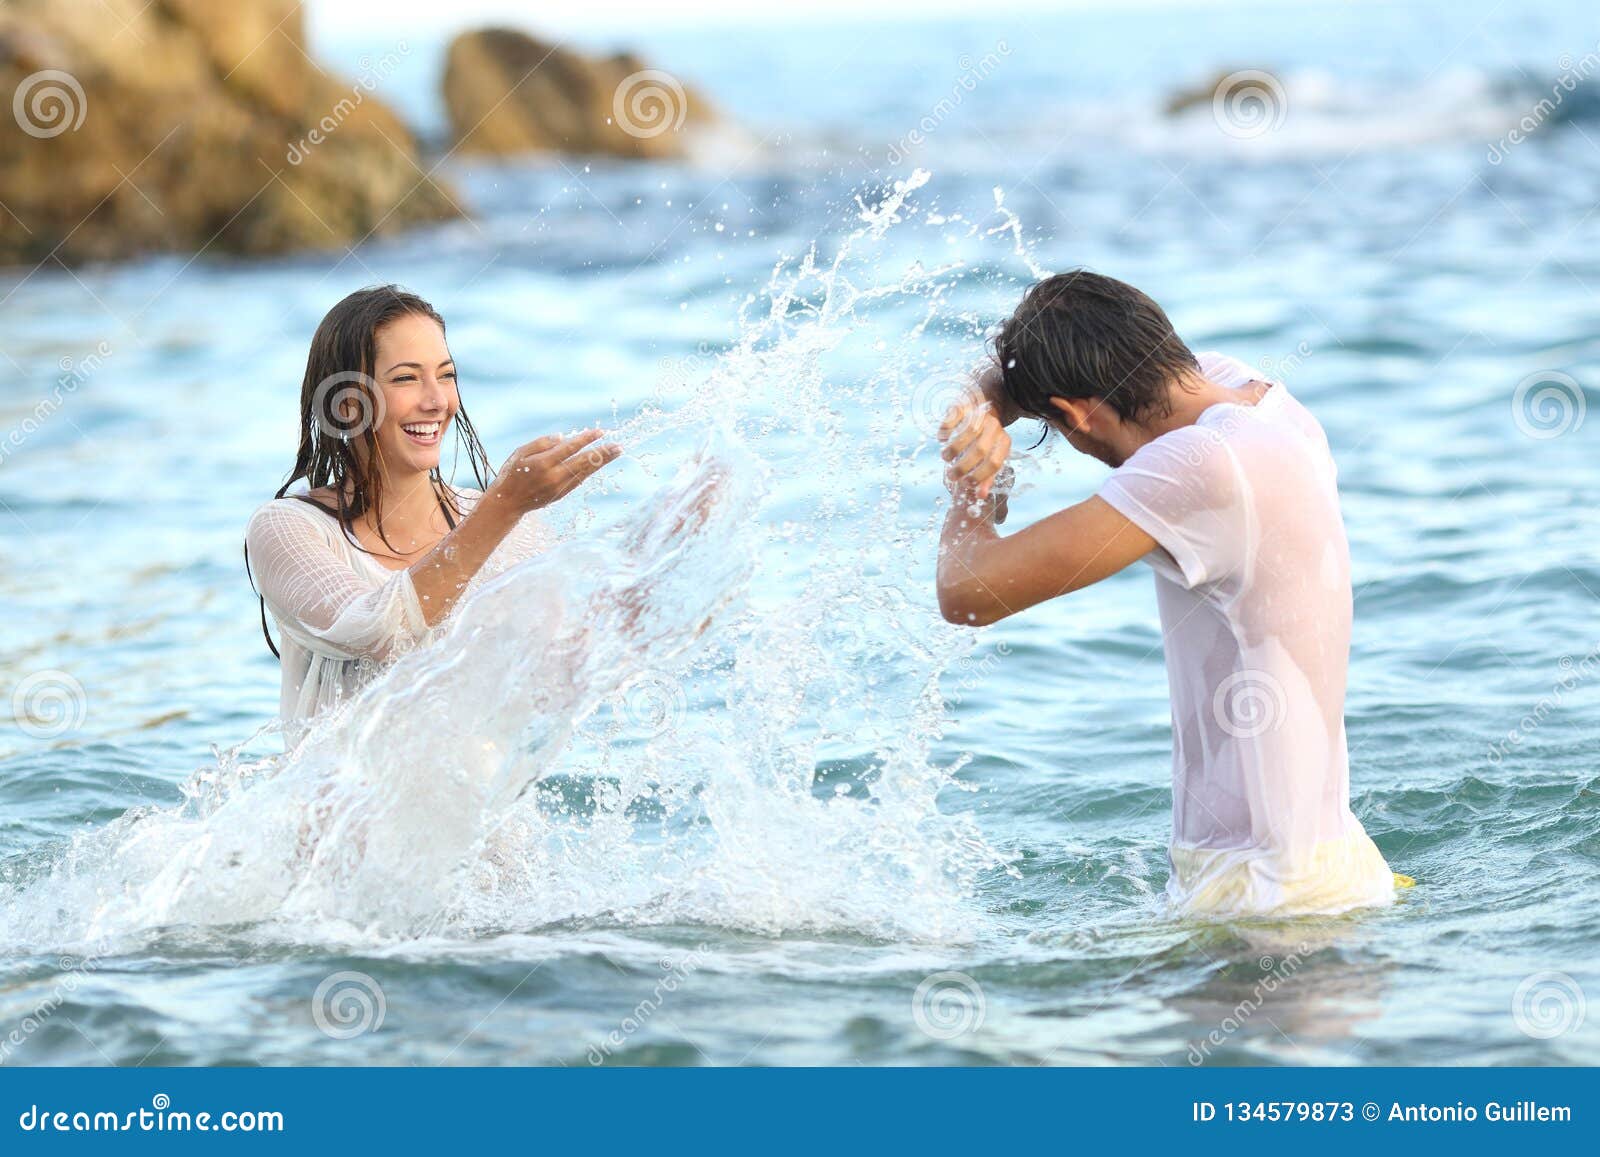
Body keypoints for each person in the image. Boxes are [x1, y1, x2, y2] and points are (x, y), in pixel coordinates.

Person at [936, 270, 1410, 917]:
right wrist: (980, 404)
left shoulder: (1198, 468)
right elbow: (1010, 375)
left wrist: (970, 479)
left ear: (1077, 416)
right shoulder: (1255, 401)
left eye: (1061, 428)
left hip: (1261, 897)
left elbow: (967, 591)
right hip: (1332, 867)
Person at [245, 286, 620, 725]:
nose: (437, 400)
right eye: (406, 378)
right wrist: (505, 506)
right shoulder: (289, 529)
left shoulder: (509, 526)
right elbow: (380, 632)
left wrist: (688, 539)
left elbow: (572, 669)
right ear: (347, 404)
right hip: (343, 795)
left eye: (446, 375)